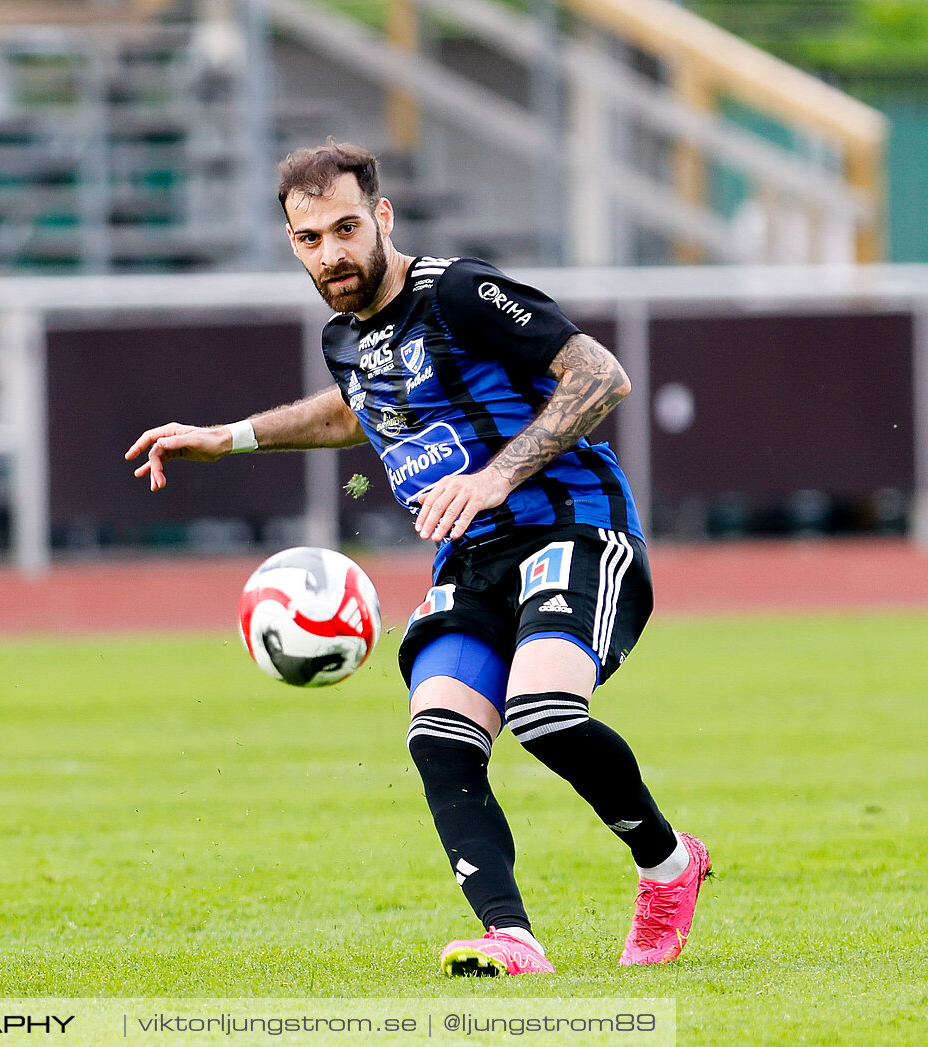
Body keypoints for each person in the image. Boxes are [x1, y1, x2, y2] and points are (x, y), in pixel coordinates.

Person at [126, 141, 708, 976]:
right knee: (439, 734)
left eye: (347, 228)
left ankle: (668, 865)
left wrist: (494, 475)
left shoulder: (462, 292)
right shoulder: (346, 339)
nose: (332, 253)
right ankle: (512, 935)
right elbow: (351, 412)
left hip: (575, 529)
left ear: (383, 218)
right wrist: (230, 438)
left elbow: (601, 374)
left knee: (543, 711)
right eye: (310, 239)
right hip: (471, 560)